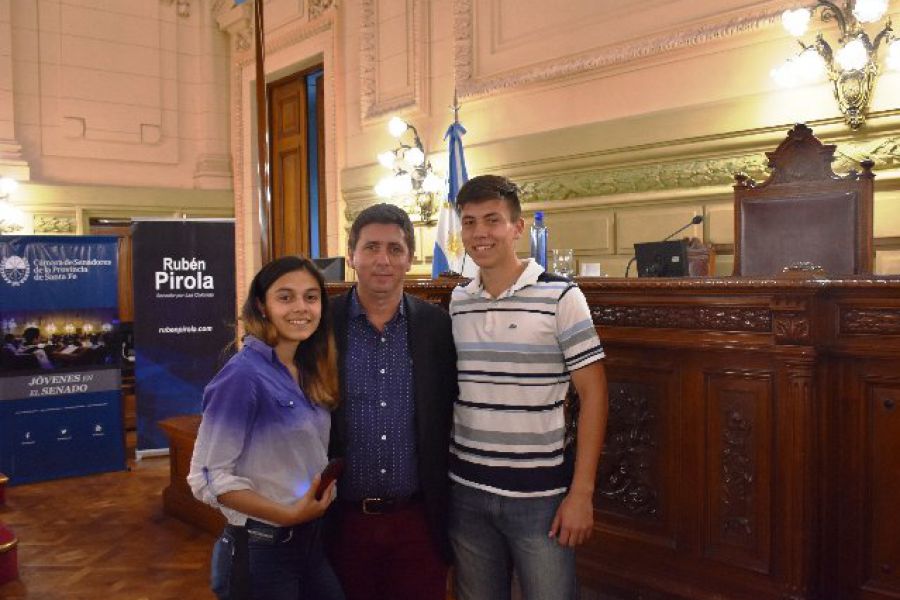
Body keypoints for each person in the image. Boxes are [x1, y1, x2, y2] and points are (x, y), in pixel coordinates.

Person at [448, 175, 609, 600]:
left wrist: (582, 493)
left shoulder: (561, 296)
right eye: (468, 222)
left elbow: (594, 396)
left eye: (492, 220)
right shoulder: (457, 302)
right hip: (466, 493)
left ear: (517, 228)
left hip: (540, 498)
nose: (480, 233)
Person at [188, 256, 345, 600]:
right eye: (285, 297)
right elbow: (206, 477)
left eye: (311, 297)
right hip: (261, 550)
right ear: (261, 306)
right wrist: (287, 514)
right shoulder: (242, 375)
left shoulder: (307, 368)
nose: (301, 308)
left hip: (310, 543)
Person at [327, 203, 457, 600]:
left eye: (395, 249)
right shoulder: (322, 326)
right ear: (352, 256)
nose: (383, 259)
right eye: (371, 248)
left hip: (418, 521)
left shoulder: (436, 326)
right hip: (341, 522)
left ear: (408, 259)